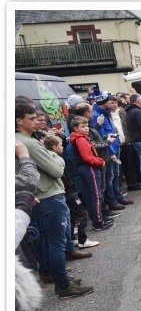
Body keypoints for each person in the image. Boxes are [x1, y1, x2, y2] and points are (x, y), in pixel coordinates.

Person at [16, 101, 94, 297]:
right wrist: (54, 156)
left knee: (47, 241)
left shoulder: (22, 140)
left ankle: (57, 277)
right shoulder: (28, 143)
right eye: (31, 118)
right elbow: (57, 169)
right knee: (56, 242)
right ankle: (63, 284)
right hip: (48, 195)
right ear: (18, 121)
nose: (37, 122)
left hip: (40, 196)